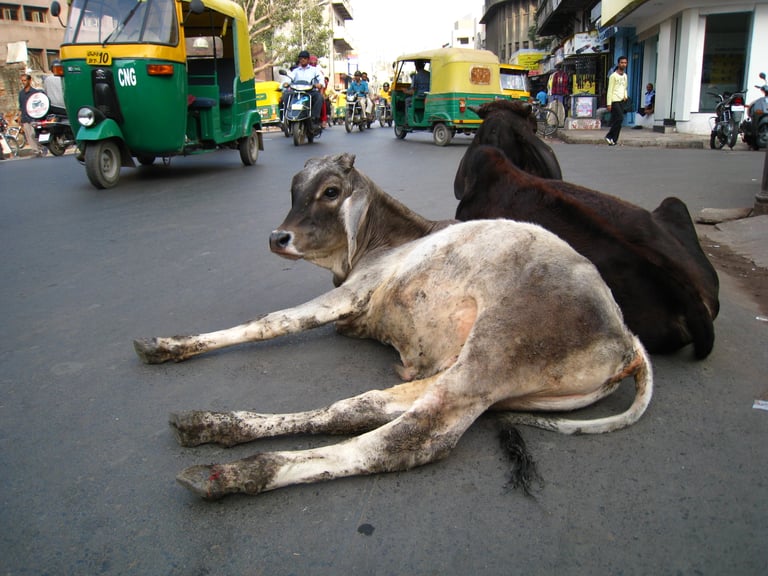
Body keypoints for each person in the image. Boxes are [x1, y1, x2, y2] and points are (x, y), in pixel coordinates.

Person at [281, 50, 325, 127]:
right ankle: (287, 117)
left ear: (308, 60)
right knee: (286, 95)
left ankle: (314, 118)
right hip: (297, 92)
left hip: (310, 92)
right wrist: (285, 83)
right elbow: (289, 78)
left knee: (319, 97)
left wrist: (320, 84)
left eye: (304, 58)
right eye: (301, 58)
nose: (302, 60)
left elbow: (321, 79)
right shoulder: (295, 71)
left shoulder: (314, 70)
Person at [18, 74, 44, 157]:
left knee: (33, 134)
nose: (23, 82)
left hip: (33, 117)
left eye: (25, 80)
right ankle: (36, 151)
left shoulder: (35, 92)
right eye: (22, 80)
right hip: (25, 117)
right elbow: (21, 106)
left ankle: (41, 147)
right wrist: (19, 116)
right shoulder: (21, 93)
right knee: (28, 135)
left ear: (29, 80)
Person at [605, 56, 629, 146]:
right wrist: (609, 104)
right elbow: (610, 90)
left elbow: (625, 87)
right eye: (622, 62)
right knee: (620, 118)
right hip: (614, 100)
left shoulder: (625, 76)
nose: (624, 64)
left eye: (625, 63)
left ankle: (614, 139)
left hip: (622, 100)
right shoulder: (613, 76)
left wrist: (625, 96)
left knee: (618, 121)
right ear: (618, 64)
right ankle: (609, 135)